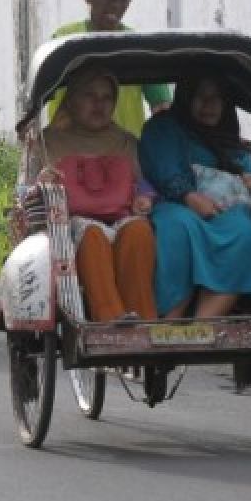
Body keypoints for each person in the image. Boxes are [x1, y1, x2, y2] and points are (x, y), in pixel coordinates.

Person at [35, 68, 157, 322]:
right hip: (70, 225)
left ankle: (145, 322)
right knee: (92, 235)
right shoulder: (48, 142)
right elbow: (28, 192)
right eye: (89, 96)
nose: (99, 104)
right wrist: (42, 184)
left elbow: (145, 182)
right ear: (71, 99)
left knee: (139, 231)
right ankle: (110, 318)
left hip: (120, 216)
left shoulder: (126, 142)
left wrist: (145, 196)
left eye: (107, 98)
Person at [139, 74, 251, 319]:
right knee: (179, 226)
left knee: (246, 232)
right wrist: (188, 196)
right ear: (186, 98)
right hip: (174, 204)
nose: (209, 105)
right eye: (200, 97)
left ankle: (203, 324)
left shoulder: (232, 140)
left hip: (226, 211)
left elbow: (247, 172)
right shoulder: (163, 128)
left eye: (216, 98)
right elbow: (162, 167)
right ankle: (169, 322)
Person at [45, 0, 171, 136]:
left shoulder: (137, 47)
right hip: (71, 154)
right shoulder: (65, 41)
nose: (116, 4)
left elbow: (162, 106)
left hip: (125, 154)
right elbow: (39, 97)